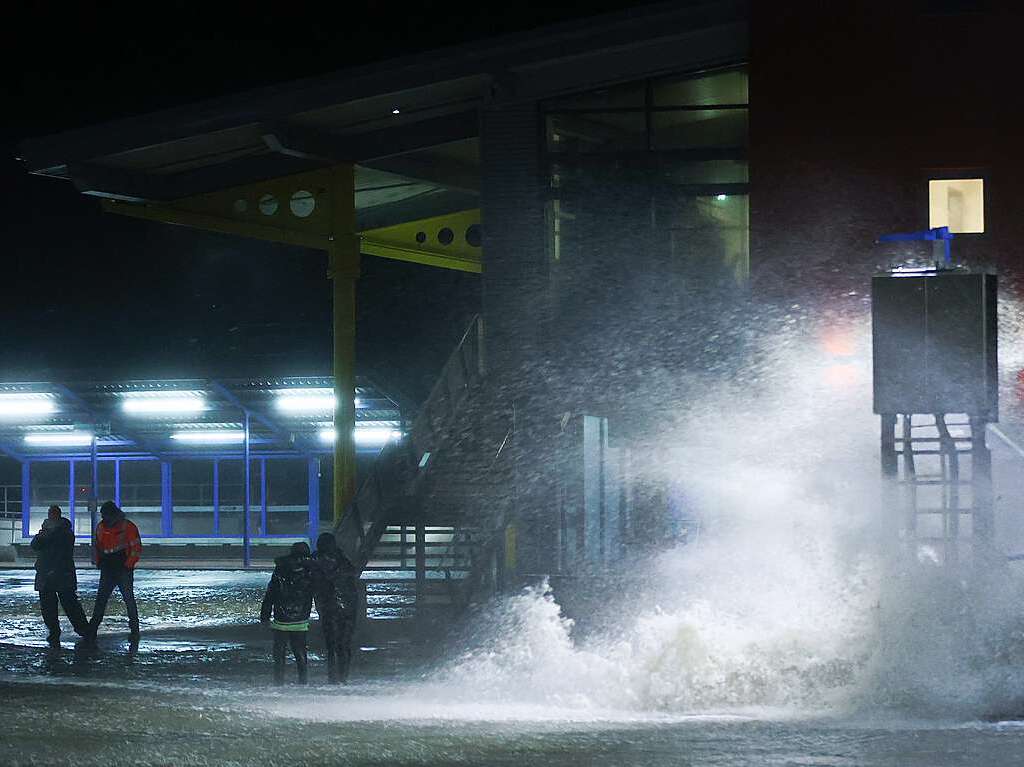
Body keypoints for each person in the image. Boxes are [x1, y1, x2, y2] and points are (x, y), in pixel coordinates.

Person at [30, 505, 90, 646]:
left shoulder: (63, 532)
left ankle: (80, 630)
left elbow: (55, 548)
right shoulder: (55, 531)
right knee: (54, 605)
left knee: (67, 603)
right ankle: (61, 631)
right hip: (52, 573)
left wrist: (45, 534)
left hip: (58, 572)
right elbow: (36, 545)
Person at [260, 541, 314, 685]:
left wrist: (264, 616)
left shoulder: (280, 570)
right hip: (301, 620)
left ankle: (279, 682)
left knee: (279, 653)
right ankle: (303, 682)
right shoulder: (310, 571)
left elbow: (270, 594)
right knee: (300, 651)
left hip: (281, 619)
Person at [89, 500, 142, 640]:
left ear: (111, 514)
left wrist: (128, 565)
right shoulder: (106, 526)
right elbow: (97, 546)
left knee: (123, 599)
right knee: (106, 599)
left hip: (121, 568)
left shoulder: (127, 527)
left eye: (105, 515)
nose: (103, 518)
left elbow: (136, 549)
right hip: (112, 567)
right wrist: (99, 561)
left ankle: (134, 629)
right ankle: (93, 628)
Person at [312, 532, 361, 683]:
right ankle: (342, 678)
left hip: (330, 607)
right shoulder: (344, 561)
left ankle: (334, 678)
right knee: (343, 645)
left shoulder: (317, 560)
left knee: (332, 645)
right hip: (347, 607)